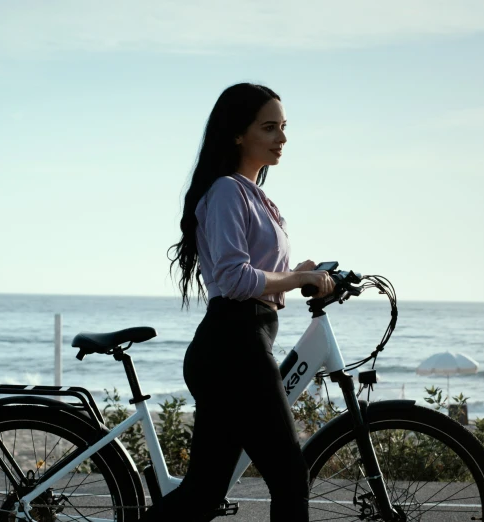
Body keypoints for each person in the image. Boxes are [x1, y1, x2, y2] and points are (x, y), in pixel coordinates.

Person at [145, 83, 335, 521]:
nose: (282, 138)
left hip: (238, 343)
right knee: (289, 476)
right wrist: (299, 277)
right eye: (269, 128)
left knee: (203, 493)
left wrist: (302, 271)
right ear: (237, 134)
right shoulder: (229, 191)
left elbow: (259, 273)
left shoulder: (255, 196)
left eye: (283, 128)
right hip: (236, 343)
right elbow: (234, 278)